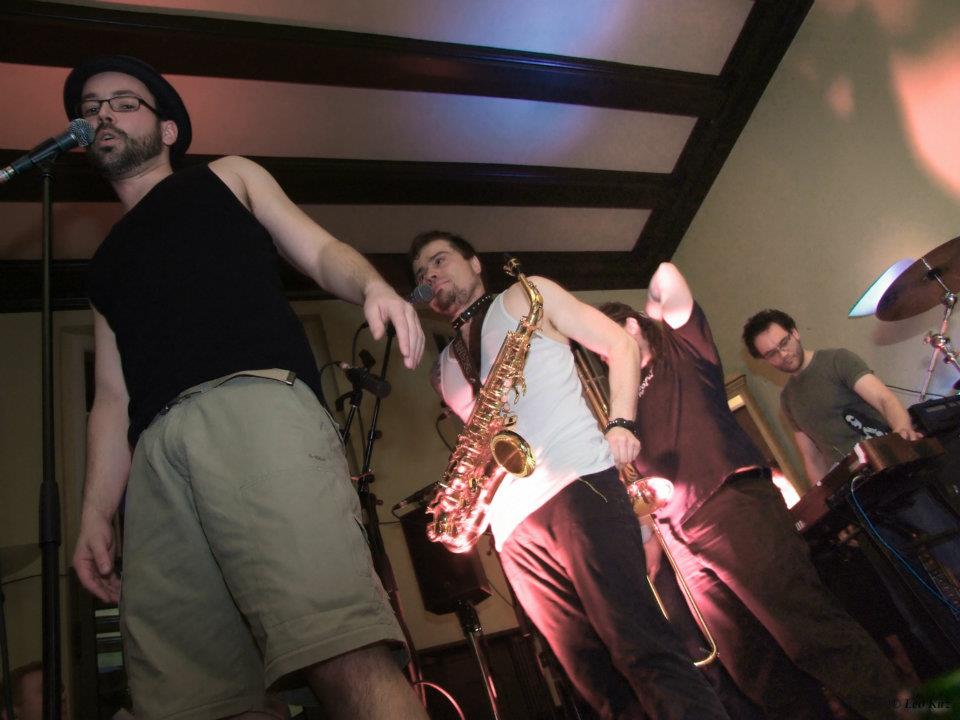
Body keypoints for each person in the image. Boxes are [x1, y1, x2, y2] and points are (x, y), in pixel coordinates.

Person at [66, 55, 428, 720]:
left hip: (251, 409)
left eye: (123, 102)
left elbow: (318, 249)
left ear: (168, 130)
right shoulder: (104, 266)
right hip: (155, 461)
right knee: (194, 700)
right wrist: (94, 513)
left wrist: (371, 285)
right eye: (90, 109)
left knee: (334, 645)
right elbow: (111, 398)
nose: (102, 115)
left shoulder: (228, 176)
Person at [409, 231, 729, 720]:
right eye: (420, 273)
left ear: (474, 263)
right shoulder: (443, 368)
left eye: (439, 260)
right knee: (593, 681)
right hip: (511, 528)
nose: (430, 274)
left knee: (643, 649)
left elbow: (620, 344)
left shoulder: (528, 294)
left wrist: (621, 423)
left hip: (579, 485)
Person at [600, 263, 901, 720]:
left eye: (605, 340)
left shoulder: (681, 350)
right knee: (752, 664)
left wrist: (651, 318)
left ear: (631, 326)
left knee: (809, 631)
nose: (604, 355)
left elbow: (665, 274)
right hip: (682, 539)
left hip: (732, 502)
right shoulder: (624, 408)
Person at [741, 309, 921, 482]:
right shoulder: (787, 400)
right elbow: (812, 459)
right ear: (765, 360)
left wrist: (902, 432)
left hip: (887, 459)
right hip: (855, 481)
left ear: (794, 333)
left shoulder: (837, 360)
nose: (783, 354)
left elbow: (885, 400)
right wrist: (823, 497)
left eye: (784, 343)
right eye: (772, 353)